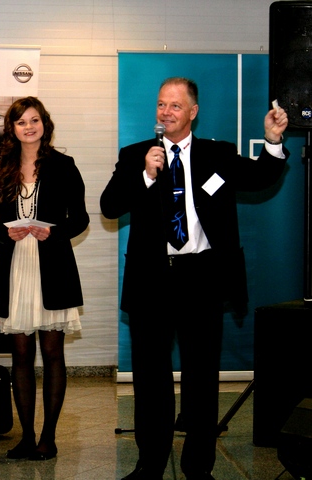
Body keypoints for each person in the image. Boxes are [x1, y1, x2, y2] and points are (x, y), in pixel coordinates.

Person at [100, 77, 289, 480]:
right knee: (150, 379)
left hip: (201, 278)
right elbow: (109, 206)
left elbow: (259, 178)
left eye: (174, 105)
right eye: (160, 104)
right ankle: (150, 464)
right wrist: (146, 176)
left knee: (201, 378)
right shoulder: (136, 155)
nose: (165, 112)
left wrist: (273, 140)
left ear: (193, 112)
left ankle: (198, 467)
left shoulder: (217, 154)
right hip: (152, 280)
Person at [0, 96, 89, 461]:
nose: (29, 127)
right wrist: (3, 233)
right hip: (15, 266)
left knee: (53, 353)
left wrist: (54, 233)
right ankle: (26, 437)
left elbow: (81, 219)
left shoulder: (63, 165)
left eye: (35, 120)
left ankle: (48, 438)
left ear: (45, 123)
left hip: (53, 265)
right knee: (21, 355)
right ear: (12, 129)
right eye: (22, 121)